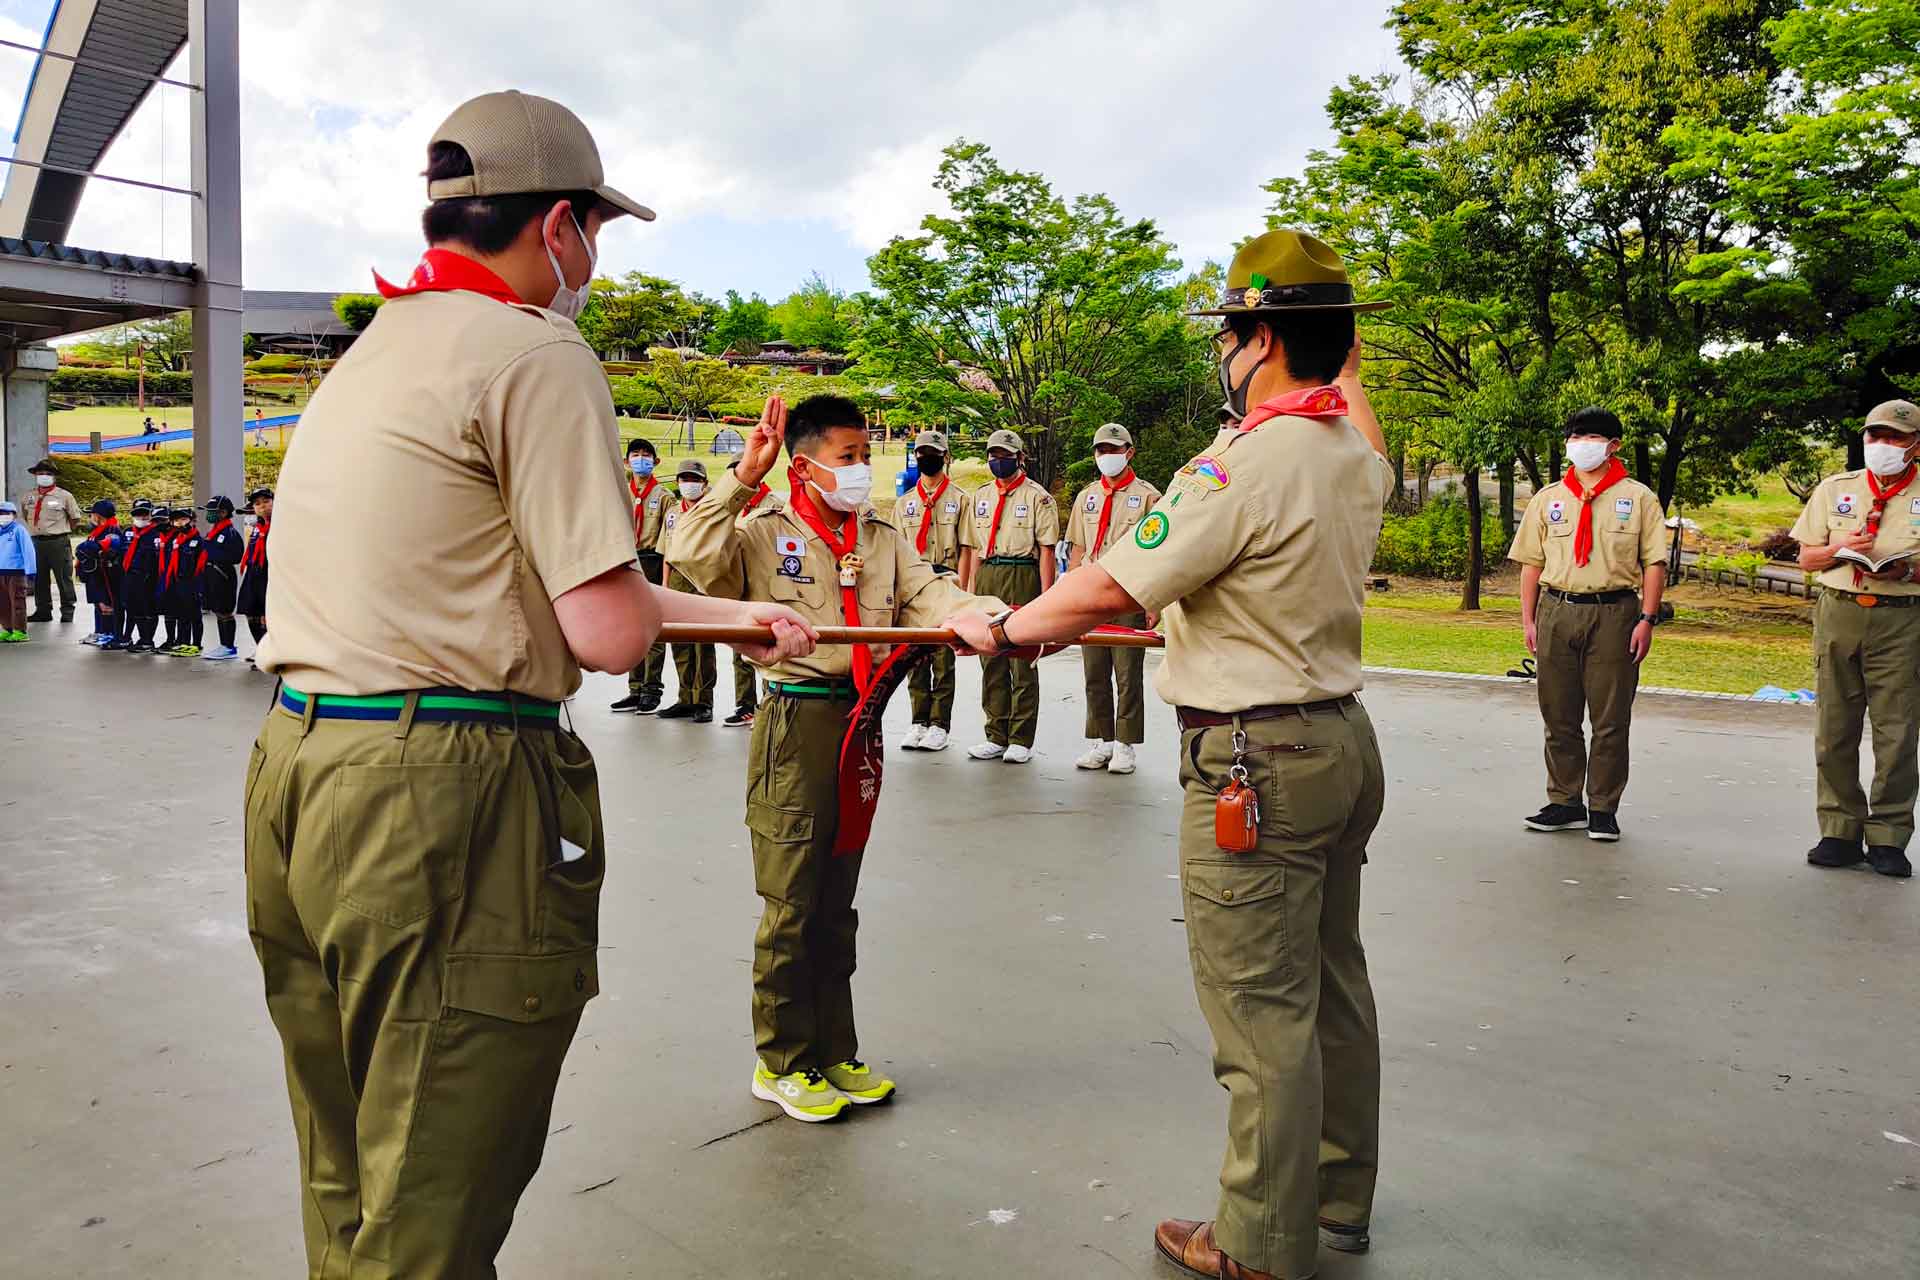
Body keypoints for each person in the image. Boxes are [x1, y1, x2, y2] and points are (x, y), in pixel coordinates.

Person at [244, 89, 813, 1277]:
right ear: (559, 225)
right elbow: (603, 631)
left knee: (348, 1163)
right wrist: (729, 620)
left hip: (301, 765)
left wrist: (734, 614)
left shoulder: (377, 350)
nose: (592, 263)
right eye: (594, 233)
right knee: (436, 1187)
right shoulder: (534, 350)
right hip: (441, 789)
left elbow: (534, 585)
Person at [946, 228, 1395, 1280]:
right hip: (1338, 740)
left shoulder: (1242, 464)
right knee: (1333, 984)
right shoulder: (1352, 454)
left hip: (1256, 757)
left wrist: (1005, 630)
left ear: (1262, 339)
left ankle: (1258, 1241)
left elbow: (1112, 583)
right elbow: (1349, 401)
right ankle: (1334, 1198)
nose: (1224, 354)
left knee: (1261, 1008)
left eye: (1231, 335)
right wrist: (1339, 351)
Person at [671, 392, 1001, 1123]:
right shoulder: (762, 531)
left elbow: (931, 592)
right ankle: (782, 1061)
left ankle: (833, 1048)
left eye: (865, 456)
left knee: (835, 901)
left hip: (861, 720)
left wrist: (994, 618)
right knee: (791, 900)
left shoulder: (880, 534)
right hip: (795, 723)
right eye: (848, 457)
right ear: (804, 466)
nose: (862, 470)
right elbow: (690, 556)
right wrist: (743, 478)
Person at [1509, 407, 1668, 843]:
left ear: (1614, 445)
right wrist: (1528, 619)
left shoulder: (1638, 499)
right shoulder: (1549, 498)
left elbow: (1654, 563)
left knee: (1610, 719)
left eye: (1593, 438)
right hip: (1557, 609)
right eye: (1576, 437)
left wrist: (1647, 619)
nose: (1583, 445)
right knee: (1558, 715)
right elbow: (1530, 564)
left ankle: (1602, 807)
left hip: (1614, 613)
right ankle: (1565, 801)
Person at [1791, 398, 1920, 879]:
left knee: (1898, 731)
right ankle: (1839, 829)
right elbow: (1807, 559)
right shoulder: (1836, 489)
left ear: (1915, 445)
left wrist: (1906, 570)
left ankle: (1888, 835)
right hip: (1840, 610)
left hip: (1902, 616)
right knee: (1834, 726)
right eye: (1875, 435)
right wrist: (1839, 549)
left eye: (1895, 438)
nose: (1883, 445)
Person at [1065, 423, 1161, 774]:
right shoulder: (1087, 496)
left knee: (1127, 672)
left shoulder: (1149, 497)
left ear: (1129, 453)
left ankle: (1125, 743)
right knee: (1094, 670)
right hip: (1091, 592)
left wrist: (1154, 601)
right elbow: (1078, 548)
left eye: (1114, 450)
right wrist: (1070, 593)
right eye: (1101, 450)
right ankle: (1102, 739)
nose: (1107, 456)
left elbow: (1157, 552)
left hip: (1128, 593)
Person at [958, 428, 1059, 763]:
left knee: (1023, 658)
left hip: (1022, 574)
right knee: (990, 657)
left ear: (1020, 457)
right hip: (989, 573)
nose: (998, 461)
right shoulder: (981, 496)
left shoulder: (1038, 497)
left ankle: (1020, 738)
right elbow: (974, 549)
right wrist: (971, 592)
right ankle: (995, 734)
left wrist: (1046, 597)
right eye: (994, 455)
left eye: (1005, 455)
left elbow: (1047, 551)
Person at [897, 428, 972, 751]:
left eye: (934, 453)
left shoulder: (960, 499)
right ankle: (918, 720)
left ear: (945, 457)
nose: (927, 458)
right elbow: (896, 551)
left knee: (943, 657)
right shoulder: (904, 503)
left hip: (946, 579)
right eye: (922, 453)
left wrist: (965, 591)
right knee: (915, 656)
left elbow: (967, 549)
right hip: (915, 583)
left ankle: (940, 724)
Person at [724, 458, 785, 727]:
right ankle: (745, 704)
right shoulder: (730, 503)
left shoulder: (775, 505)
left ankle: (768, 705)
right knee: (740, 647)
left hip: (765, 580)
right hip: (739, 579)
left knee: (769, 647)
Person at [611, 437, 669, 713]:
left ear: (656, 461)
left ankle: (651, 689)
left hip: (652, 558)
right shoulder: (620, 492)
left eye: (647, 455)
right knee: (630, 624)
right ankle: (634, 688)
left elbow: (669, 535)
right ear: (626, 461)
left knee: (652, 625)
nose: (641, 459)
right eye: (635, 454)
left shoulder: (663, 496)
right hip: (628, 559)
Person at [658, 459, 717, 722]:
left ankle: (703, 701)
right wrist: (665, 584)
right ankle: (685, 698)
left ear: (705, 483)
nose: (689, 484)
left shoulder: (711, 511)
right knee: (680, 643)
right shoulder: (673, 512)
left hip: (702, 579)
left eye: (694, 480)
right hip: (678, 580)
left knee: (703, 644)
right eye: (684, 479)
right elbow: (666, 551)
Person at [22, 458, 81, 623]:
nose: (44, 476)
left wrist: (60, 530)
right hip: (36, 542)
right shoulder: (29, 496)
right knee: (39, 578)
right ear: (35, 475)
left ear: (54, 476)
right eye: (40, 473)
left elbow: (75, 518)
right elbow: (26, 515)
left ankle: (67, 611)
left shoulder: (65, 496)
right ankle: (43, 611)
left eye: (48, 473)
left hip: (58, 542)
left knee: (63, 577)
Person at [198, 494, 245, 661]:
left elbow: (236, 556)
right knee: (218, 611)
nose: (209, 514)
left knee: (225, 611)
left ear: (224, 512)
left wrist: (211, 551)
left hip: (223, 575)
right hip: (212, 575)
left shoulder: (229, 533)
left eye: (212, 511)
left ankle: (229, 647)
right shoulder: (213, 532)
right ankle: (223, 645)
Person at [118, 498, 164, 653]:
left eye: (145, 514)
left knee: (148, 609)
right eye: (138, 514)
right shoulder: (128, 531)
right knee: (133, 607)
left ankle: (148, 640)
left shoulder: (157, 533)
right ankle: (141, 638)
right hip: (130, 576)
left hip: (149, 577)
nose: (142, 517)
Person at [76, 499, 124, 646]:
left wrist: (88, 548)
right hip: (94, 573)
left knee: (106, 603)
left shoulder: (112, 530)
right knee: (97, 602)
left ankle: (109, 633)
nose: (90, 517)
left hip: (106, 574)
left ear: (99, 516)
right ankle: (100, 631)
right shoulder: (98, 530)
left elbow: (104, 550)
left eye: (92, 514)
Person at [160, 505, 205, 656]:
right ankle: (184, 642)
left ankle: (196, 644)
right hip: (177, 582)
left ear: (192, 521)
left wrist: (199, 585)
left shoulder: (198, 541)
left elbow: (201, 565)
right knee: (182, 615)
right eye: (176, 520)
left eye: (184, 519)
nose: (180, 523)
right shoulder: (175, 540)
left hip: (192, 583)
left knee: (195, 615)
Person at [235, 487, 274, 651]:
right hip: (253, 574)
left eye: (266, 501)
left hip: (270, 576)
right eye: (257, 504)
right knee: (251, 613)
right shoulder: (257, 527)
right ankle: (261, 649)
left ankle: (273, 653)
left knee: (269, 617)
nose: (262, 506)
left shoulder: (280, 527)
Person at [0, 500, 35, 641]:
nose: (3, 516)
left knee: (17, 602)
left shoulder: (19, 530)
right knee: (3, 603)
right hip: (1, 572)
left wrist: (31, 570)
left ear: (14, 515)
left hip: (16, 573)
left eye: (6, 513)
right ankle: (7, 628)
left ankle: (20, 630)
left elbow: (28, 551)